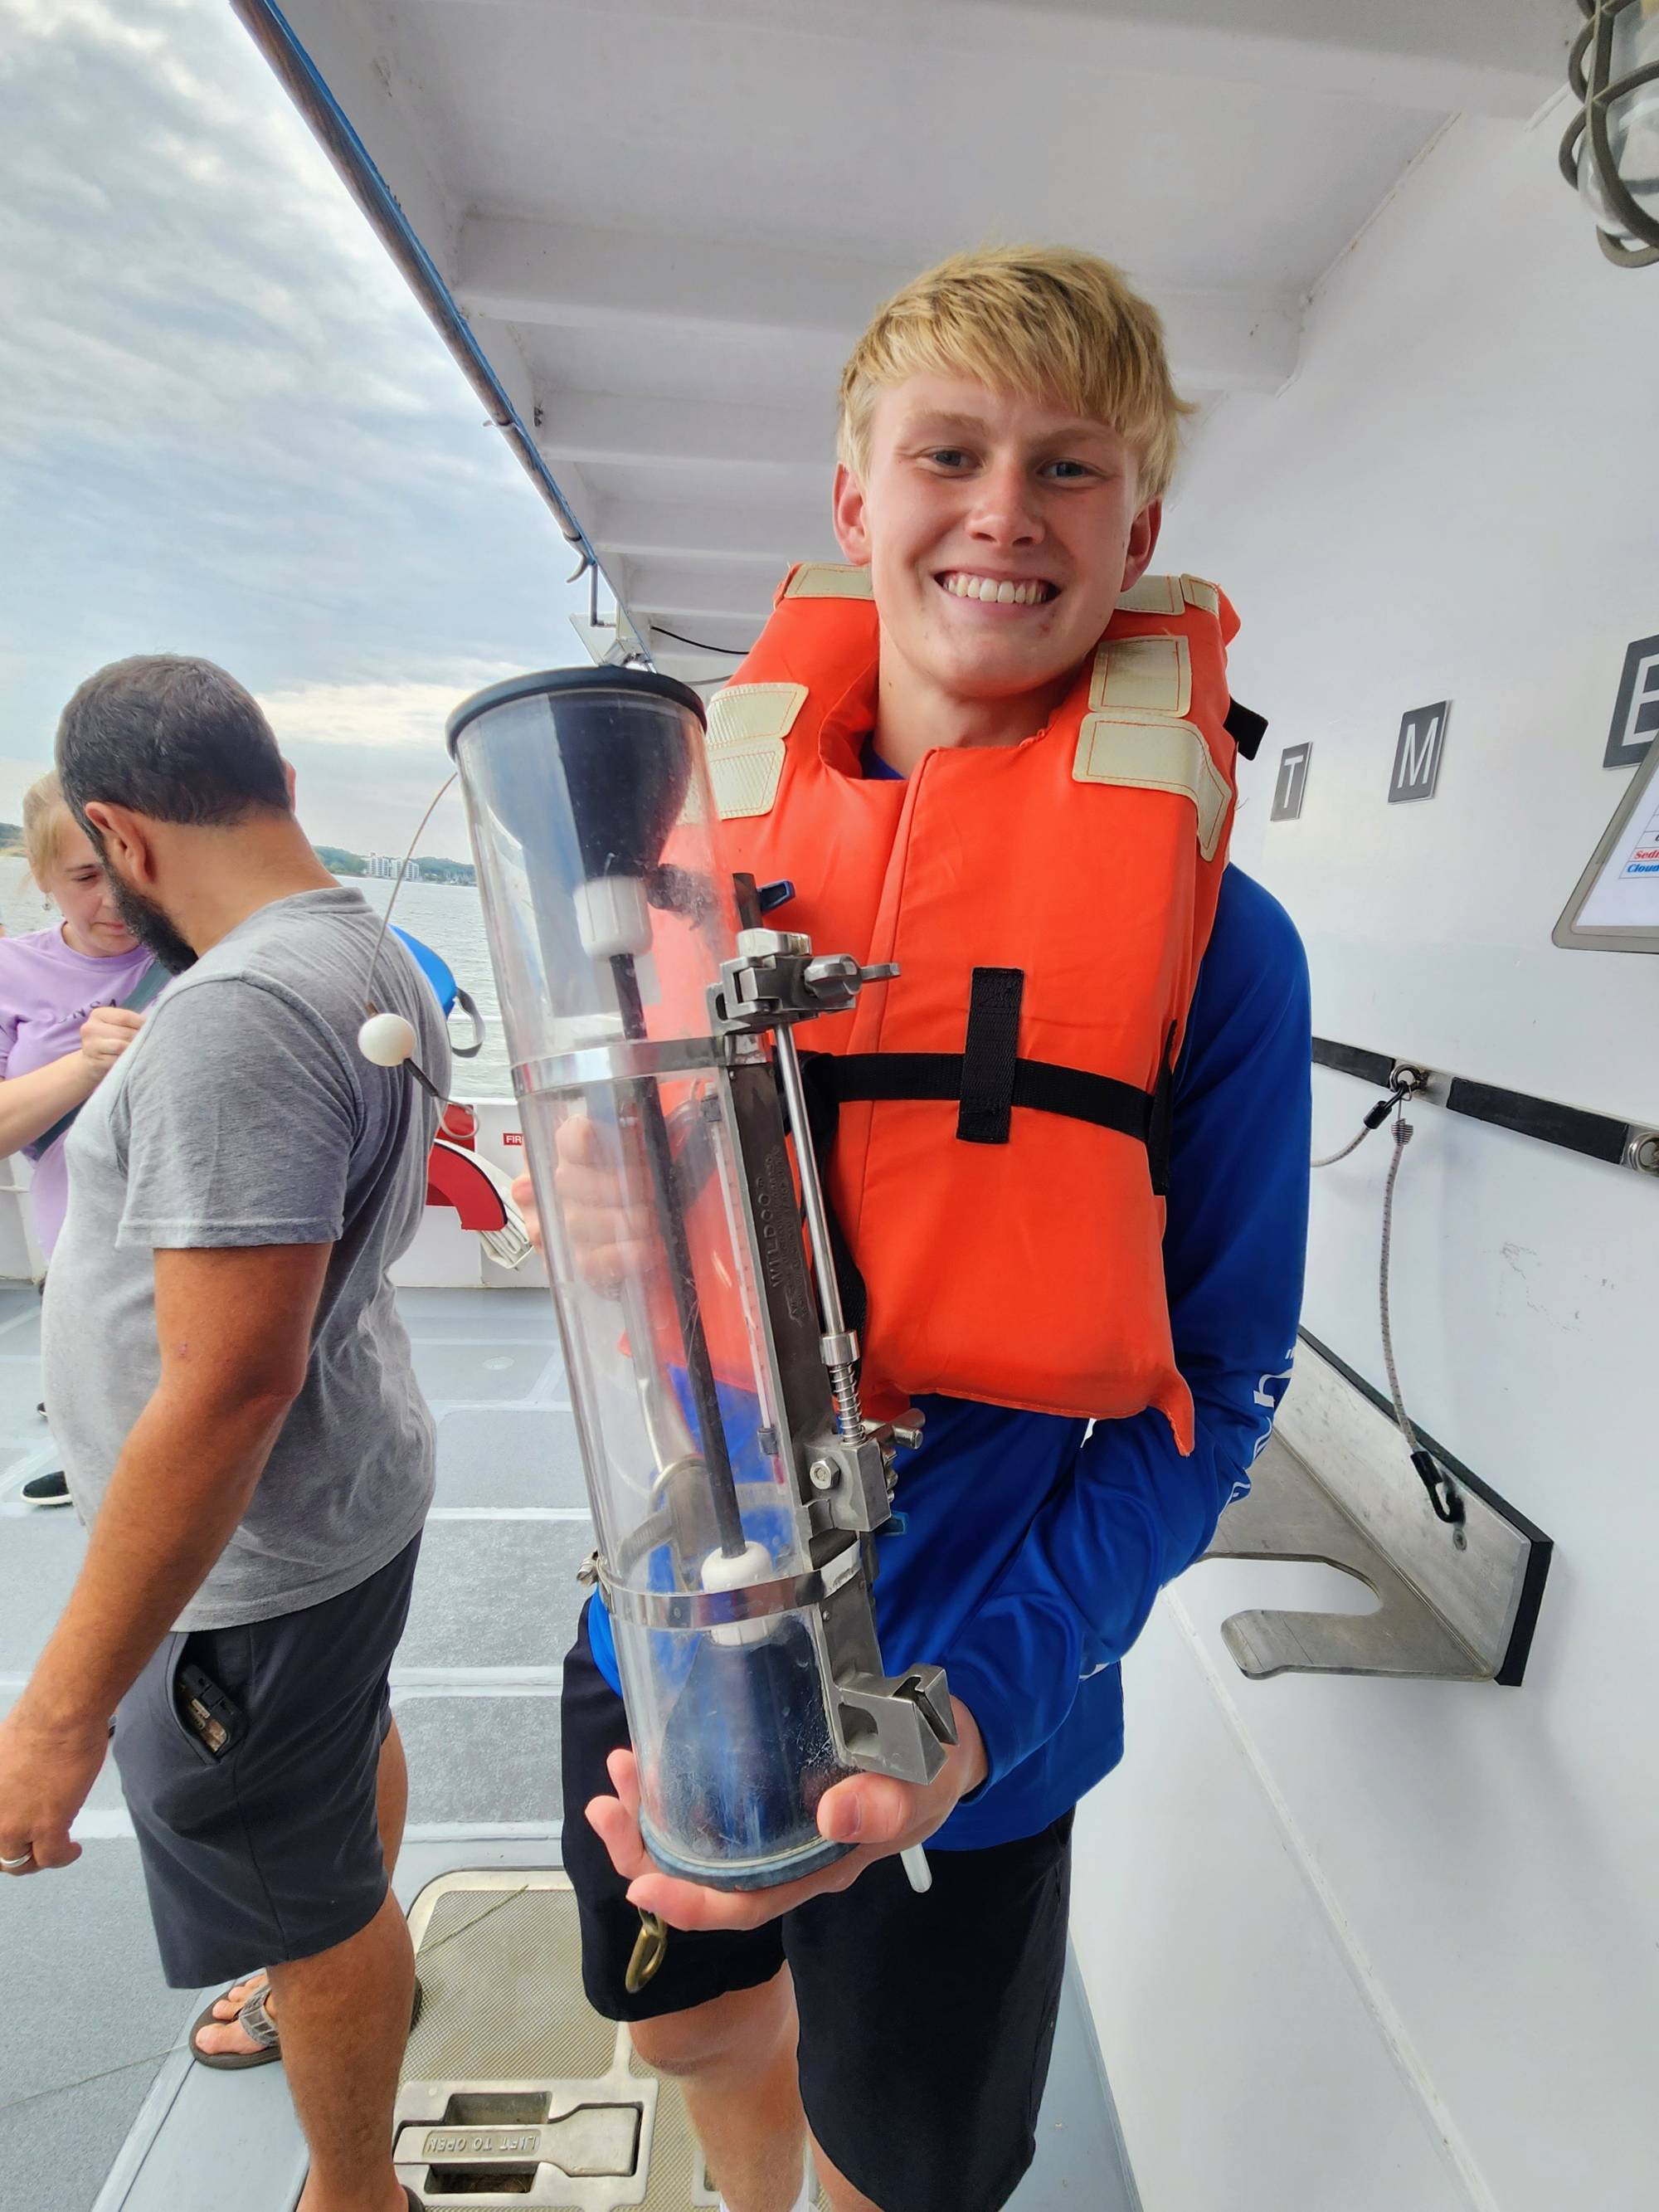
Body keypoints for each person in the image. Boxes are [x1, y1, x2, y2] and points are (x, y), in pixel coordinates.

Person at [513, 246, 1312, 2212]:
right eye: (948, 453)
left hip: (976, 1712)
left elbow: (1215, 1391)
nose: (1002, 511)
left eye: (1068, 467)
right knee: (690, 2028)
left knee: (908, 2161)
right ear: (854, 497)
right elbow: (630, 1263)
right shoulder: (672, 880)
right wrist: (590, 1208)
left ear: (1137, 529)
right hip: (669, 1636)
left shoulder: (1226, 950)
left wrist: (971, 1710)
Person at [0, 655, 447, 2212]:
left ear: (119, 835)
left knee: (305, 1904)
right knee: (332, 1780)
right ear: (284, 791)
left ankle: (353, 2191)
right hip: (343, 1495)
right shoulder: (366, 948)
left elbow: (228, 1387)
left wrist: (59, 1716)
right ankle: (341, 1954)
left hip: (249, 1566)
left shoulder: (231, 1016)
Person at [0, 771, 159, 1505]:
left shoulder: (201, 950)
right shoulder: (12, 972)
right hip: (78, 1246)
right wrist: (85, 1065)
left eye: (128, 868)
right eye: (86, 876)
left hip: (186, 1235)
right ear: (40, 875)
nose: (115, 899)